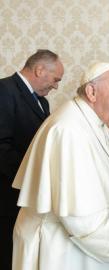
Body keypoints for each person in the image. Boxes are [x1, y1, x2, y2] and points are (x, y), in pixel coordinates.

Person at [12, 63, 109, 270]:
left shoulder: (91, 120)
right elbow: (81, 216)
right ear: (92, 92)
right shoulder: (70, 130)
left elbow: (92, 169)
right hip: (63, 251)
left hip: (80, 248)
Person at [0, 49, 64, 269]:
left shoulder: (43, 103)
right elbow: (1, 146)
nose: (56, 86)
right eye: (56, 79)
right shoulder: (4, 90)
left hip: (27, 195)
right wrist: (32, 177)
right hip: (7, 193)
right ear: (39, 70)